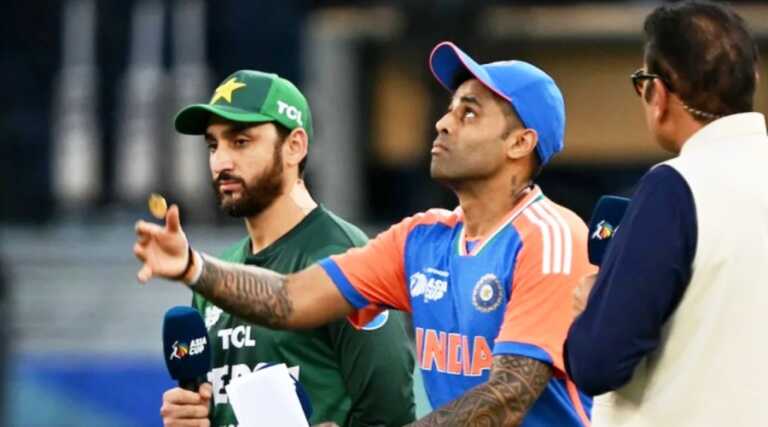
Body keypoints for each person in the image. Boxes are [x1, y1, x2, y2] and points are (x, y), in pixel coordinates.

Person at [136, 42, 595, 426]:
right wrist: (193, 267)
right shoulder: (421, 238)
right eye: (450, 109)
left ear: (520, 143)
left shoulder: (549, 237)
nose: (443, 122)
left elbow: (509, 394)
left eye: (469, 113)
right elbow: (291, 298)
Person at [157, 70, 416, 427]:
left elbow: (392, 415)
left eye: (241, 141)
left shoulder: (348, 257)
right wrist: (193, 418)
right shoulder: (218, 274)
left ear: (294, 146)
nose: (221, 162)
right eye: (213, 145)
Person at [564, 2, 766, 426]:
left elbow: (598, 362)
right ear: (754, 79)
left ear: (657, 94)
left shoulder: (675, 187)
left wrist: (592, 310)